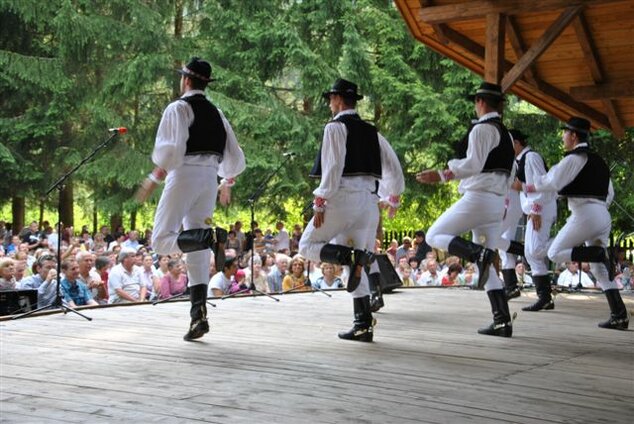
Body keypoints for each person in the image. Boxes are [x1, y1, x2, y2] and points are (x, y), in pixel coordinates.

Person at [136, 57, 246, 341]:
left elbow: (171, 152)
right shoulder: (217, 113)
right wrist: (226, 181)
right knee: (195, 250)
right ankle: (198, 317)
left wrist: (154, 178)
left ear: (185, 80)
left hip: (184, 174)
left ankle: (210, 239)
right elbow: (234, 157)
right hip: (209, 179)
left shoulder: (179, 108)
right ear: (205, 83)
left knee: (161, 240)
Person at [299, 78, 404, 342]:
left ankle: (353, 259)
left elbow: (333, 168)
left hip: (342, 197)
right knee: (355, 265)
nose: (329, 104)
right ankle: (363, 325)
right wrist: (392, 197)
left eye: (330, 99)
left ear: (336, 99)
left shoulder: (335, 128)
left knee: (307, 245)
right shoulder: (372, 131)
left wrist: (320, 200)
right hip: (369, 203)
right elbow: (393, 166)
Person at [416, 81, 515, 337]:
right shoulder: (506, 134)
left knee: (434, 235)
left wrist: (441, 174)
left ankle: (479, 255)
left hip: (479, 198)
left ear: (480, 102)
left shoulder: (482, 130)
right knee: (489, 264)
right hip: (494, 202)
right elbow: (511, 171)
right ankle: (502, 320)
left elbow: (473, 164)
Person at [525, 116, 628, 330]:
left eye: (565, 133)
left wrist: (526, 186)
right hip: (601, 214)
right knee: (600, 271)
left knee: (554, 253)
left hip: (584, 214)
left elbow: (550, 182)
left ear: (573, 135)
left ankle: (598, 254)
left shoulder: (574, 158)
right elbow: (609, 193)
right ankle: (619, 315)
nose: (563, 136)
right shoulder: (599, 161)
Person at [507, 129, 557, 311]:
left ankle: (567, 245)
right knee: (530, 253)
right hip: (535, 209)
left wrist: (535, 209)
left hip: (542, 208)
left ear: (517, 143)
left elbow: (541, 186)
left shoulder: (531, 157)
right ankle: (545, 298)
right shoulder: (520, 161)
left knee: (535, 249)